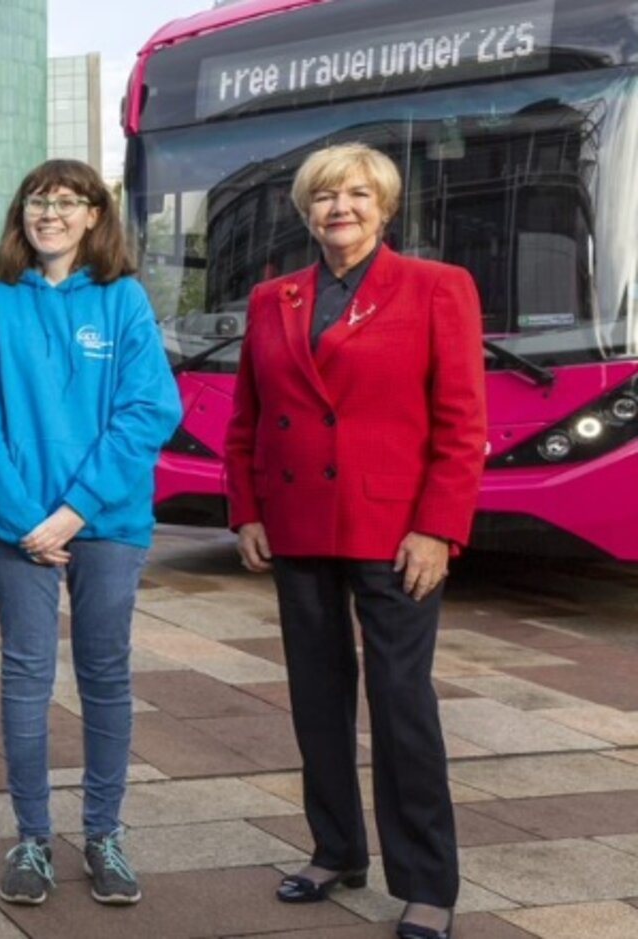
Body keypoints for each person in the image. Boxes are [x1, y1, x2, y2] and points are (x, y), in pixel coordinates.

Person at [224, 143, 485, 939]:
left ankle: (428, 881)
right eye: (326, 195)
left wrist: (439, 527)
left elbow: (462, 421)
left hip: (395, 530)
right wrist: (247, 510)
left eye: (358, 194)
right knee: (317, 698)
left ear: (385, 206)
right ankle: (336, 847)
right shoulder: (275, 296)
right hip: (297, 522)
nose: (341, 207)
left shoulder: (438, 287)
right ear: (307, 210)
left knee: (403, 704)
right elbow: (247, 418)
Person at [0, 159, 182, 908]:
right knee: (26, 674)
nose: (47, 212)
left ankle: (104, 833)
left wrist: (76, 509)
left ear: (95, 216)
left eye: (66, 201)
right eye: (35, 200)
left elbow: (150, 411)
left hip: (108, 521)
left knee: (105, 674)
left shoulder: (124, 303)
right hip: (15, 521)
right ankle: (32, 837)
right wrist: (25, 519)